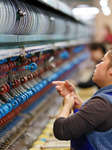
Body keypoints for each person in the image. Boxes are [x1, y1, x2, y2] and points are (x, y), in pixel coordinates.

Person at [52, 50, 112, 150]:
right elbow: (92, 117)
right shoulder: (105, 101)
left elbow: (61, 130)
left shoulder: (101, 104)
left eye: (102, 61)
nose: (97, 65)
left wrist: (67, 105)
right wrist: (73, 95)